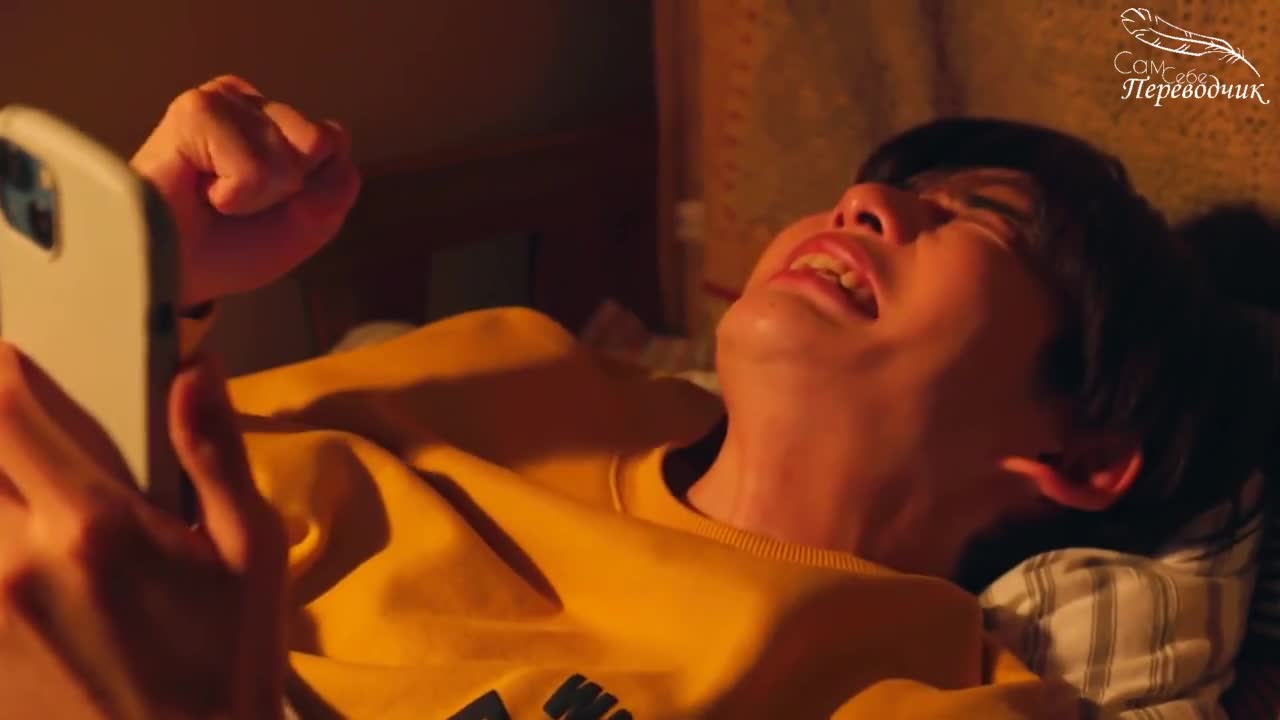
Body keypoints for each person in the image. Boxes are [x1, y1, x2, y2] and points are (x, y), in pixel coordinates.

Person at [0, 76, 1274, 719]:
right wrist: (139, 290)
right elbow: (77, 499)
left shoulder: (936, 699)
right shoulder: (515, 367)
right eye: (879, 185)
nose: (863, 203)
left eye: (978, 221)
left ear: (1085, 452)